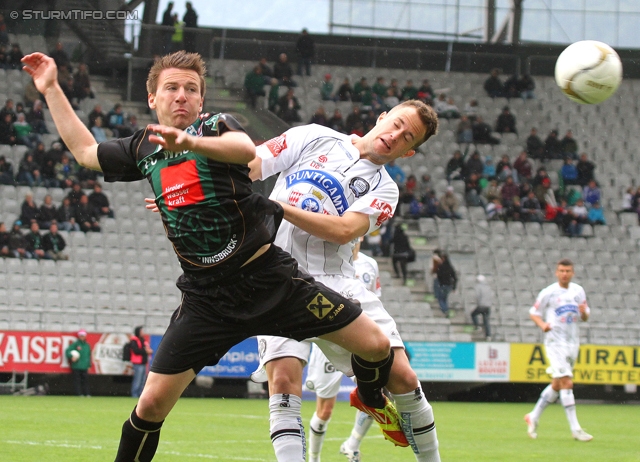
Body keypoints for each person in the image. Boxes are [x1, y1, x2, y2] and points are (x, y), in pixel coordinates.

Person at [24, 50, 397, 462]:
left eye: (191, 89)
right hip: (207, 301)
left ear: (201, 101)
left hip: (271, 280)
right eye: (172, 88)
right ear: (153, 99)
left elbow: (242, 150)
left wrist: (193, 142)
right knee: (148, 408)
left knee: (377, 346)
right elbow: (85, 153)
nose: (182, 96)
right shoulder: (143, 147)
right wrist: (52, 88)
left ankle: (369, 397)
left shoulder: (217, 127)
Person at [247, 99, 441, 461]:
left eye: (406, 136)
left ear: (409, 152)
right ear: (382, 117)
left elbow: (342, 232)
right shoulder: (313, 136)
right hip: (274, 276)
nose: (395, 135)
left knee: (404, 379)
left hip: (336, 282)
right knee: (284, 382)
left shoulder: (386, 190)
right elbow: (252, 164)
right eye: (396, 123)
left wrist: (278, 209)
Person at [306, 237, 379, 462]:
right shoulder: (328, 263)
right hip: (331, 341)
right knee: (324, 411)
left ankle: (352, 445)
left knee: (376, 396)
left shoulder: (370, 265)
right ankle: (314, 457)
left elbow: (375, 299)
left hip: (361, 341)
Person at [524, 259, 593, 442]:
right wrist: (542, 325)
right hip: (555, 343)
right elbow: (533, 312)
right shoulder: (549, 292)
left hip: (572, 343)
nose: (564, 273)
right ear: (556, 272)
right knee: (567, 383)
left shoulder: (578, 291)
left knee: (557, 384)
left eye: (568, 270)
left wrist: (584, 312)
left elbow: (585, 316)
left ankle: (533, 416)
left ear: (573, 273)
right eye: (561, 270)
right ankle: (576, 429)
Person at [65, 330, 92, 396]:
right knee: (77, 381)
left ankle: (87, 393)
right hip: (76, 366)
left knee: (85, 381)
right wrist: (71, 356)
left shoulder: (87, 345)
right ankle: (78, 394)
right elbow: (68, 351)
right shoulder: (76, 344)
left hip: (84, 366)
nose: (82, 337)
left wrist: (89, 365)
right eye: (81, 335)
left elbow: (89, 355)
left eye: (83, 335)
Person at [431, 249, 457, 318]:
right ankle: (446, 310)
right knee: (444, 299)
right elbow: (455, 278)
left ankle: (445, 310)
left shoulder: (441, 267)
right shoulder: (450, 267)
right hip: (449, 286)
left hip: (443, 285)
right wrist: (454, 287)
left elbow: (438, 276)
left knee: (441, 299)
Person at [130, 326, 154, 398]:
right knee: (137, 380)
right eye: (141, 331)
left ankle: (140, 395)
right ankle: (135, 394)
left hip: (143, 363)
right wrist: (145, 351)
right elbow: (136, 351)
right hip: (137, 363)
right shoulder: (134, 341)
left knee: (142, 380)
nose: (142, 333)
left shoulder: (142, 340)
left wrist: (148, 351)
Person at [472, 275, 493, 340]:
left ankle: (477, 326)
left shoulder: (478, 286)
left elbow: (478, 296)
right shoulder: (488, 287)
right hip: (488, 306)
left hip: (481, 305)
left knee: (473, 314)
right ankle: (488, 335)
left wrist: (479, 302)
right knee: (486, 321)